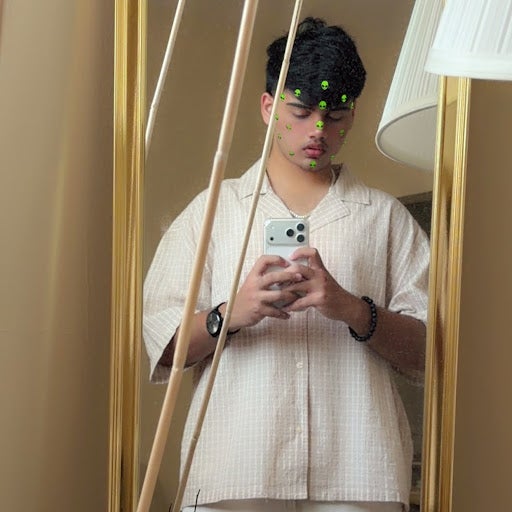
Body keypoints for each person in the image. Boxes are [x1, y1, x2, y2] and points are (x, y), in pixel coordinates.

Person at [143, 17, 429, 512]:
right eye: (300, 111)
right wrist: (230, 314)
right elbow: (161, 344)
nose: (317, 130)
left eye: (335, 116)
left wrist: (351, 309)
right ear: (268, 107)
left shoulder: (384, 218)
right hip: (234, 472)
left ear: (353, 115)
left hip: (357, 473)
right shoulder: (212, 212)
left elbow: (431, 352)